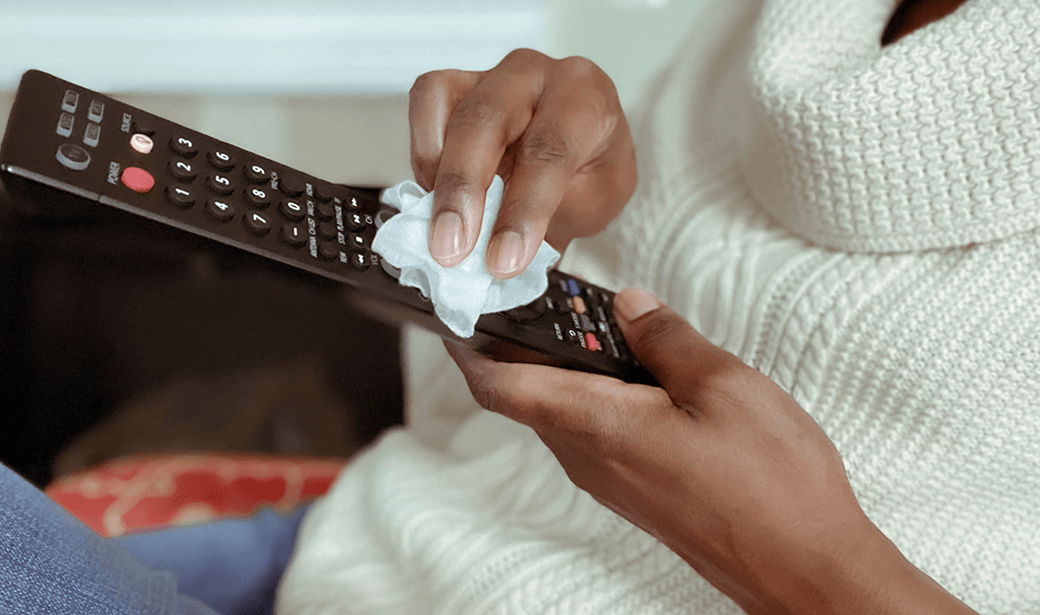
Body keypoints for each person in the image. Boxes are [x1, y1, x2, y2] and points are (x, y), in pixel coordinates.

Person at [277, 0, 1038, 613]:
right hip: (373, 546)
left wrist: (811, 574)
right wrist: (556, 238)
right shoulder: (764, 24)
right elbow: (482, 415)